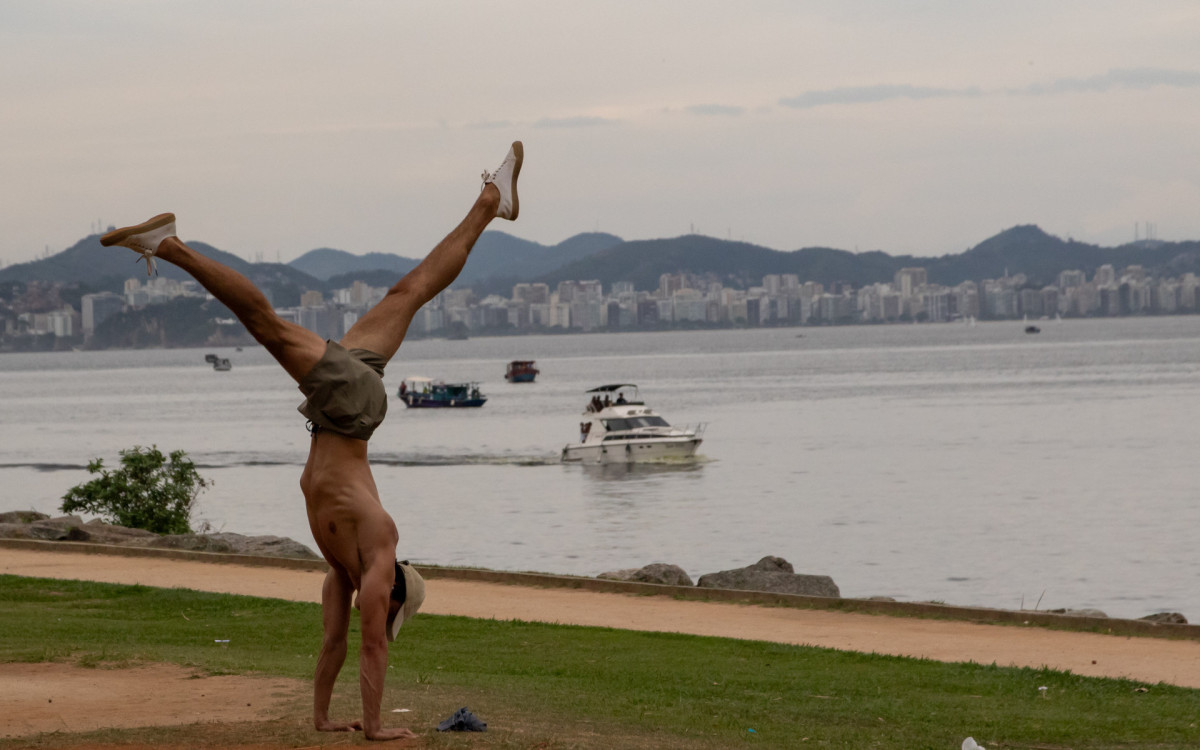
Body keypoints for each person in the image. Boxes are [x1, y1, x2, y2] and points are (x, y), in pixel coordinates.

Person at [99, 141, 524, 741]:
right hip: (348, 409)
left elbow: (334, 644)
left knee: (409, 291)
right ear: (397, 592)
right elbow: (372, 646)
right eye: (388, 608)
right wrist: (376, 730)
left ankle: (490, 201)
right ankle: (168, 244)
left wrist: (323, 720)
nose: (373, 611)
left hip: (340, 410)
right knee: (269, 327)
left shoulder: (340, 570)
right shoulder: (380, 551)